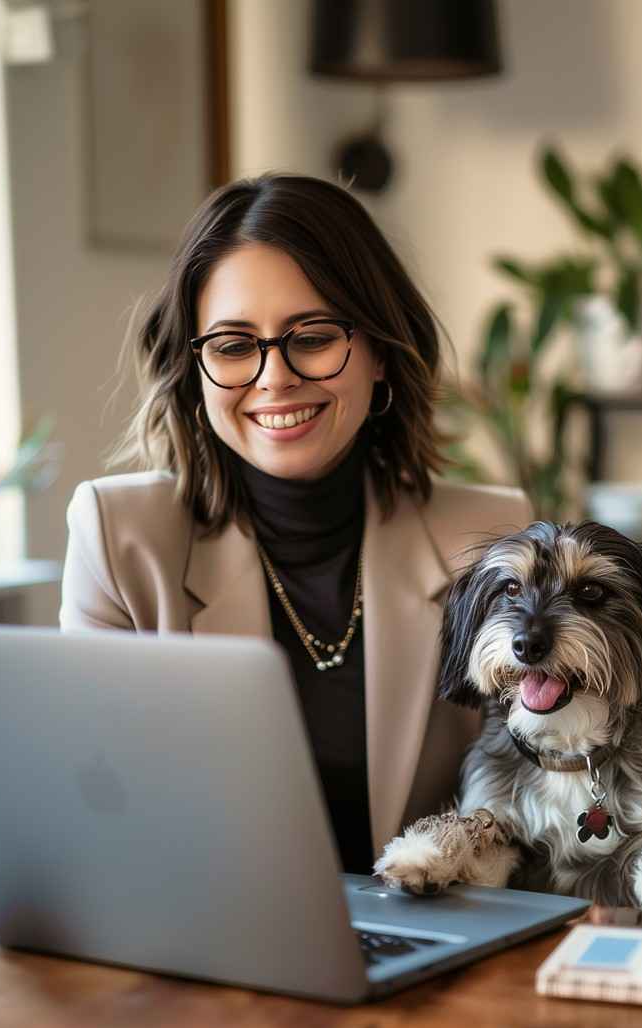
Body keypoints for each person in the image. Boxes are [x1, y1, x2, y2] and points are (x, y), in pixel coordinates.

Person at [60, 174, 532, 874]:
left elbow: (537, 801)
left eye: (311, 337)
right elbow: (92, 803)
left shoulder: (492, 538)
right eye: (232, 345)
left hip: (435, 937)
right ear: (194, 371)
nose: (273, 378)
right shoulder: (119, 535)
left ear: (379, 352)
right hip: (209, 936)